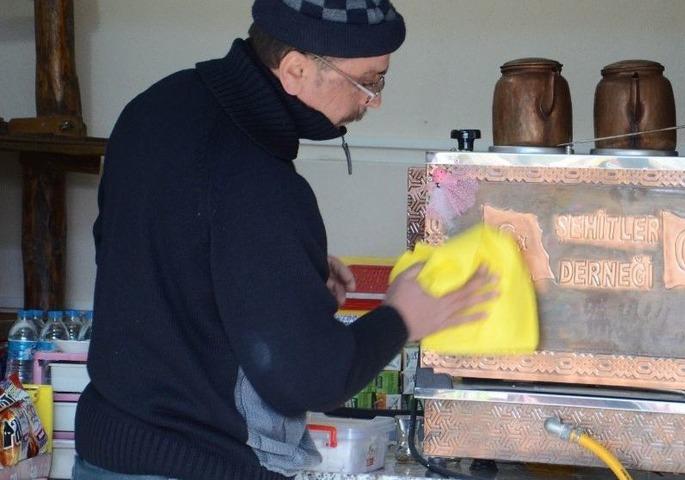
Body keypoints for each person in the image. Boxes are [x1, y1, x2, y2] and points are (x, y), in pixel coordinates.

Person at [73, 1, 496, 479]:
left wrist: (288, 273)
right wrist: (401, 318)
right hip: (198, 462)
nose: (373, 100)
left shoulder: (153, 108)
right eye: (368, 81)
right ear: (295, 68)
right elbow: (311, 379)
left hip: (106, 453)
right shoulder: (260, 178)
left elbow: (152, 256)